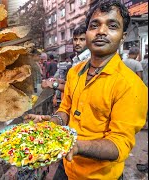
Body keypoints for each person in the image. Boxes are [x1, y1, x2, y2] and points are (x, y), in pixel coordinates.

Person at [25, 1, 148, 179]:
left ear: (123, 36)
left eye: (112, 26)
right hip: (66, 166)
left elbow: (119, 144)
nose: (101, 31)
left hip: (99, 175)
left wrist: (75, 146)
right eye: (94, 25)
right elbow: (65, 109)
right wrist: (53, 122)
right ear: (88, 32)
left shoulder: (131, 86)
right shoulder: (75, 72)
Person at [42, 25, 90, 93]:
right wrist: (62, 81)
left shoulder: (89, 59)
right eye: (75, 39)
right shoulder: (76, 59)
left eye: (82, 39)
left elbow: (78, 89)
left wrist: (54, 85)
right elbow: (74, 83)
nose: (77, 43)